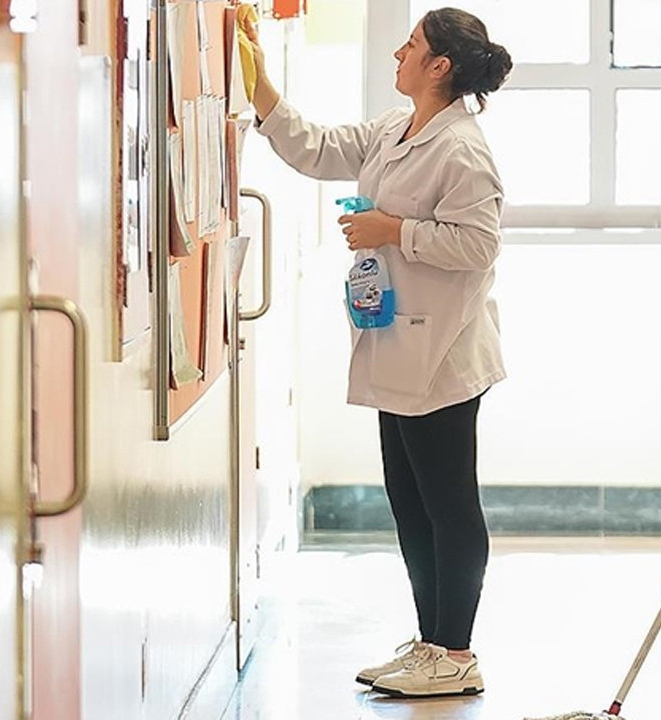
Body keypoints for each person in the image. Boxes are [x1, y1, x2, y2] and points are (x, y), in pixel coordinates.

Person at [244, 7, 512, 699]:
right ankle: (431, 644)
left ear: (439, 66)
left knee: (449, 505)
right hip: (398, 342)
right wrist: (261, 86)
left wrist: (394, 230)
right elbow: (320, 148)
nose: (399, 51)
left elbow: (477, 246)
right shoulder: (396, 129)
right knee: (410, 501)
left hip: (444, 352)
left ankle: (457, 652)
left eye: (412, 45)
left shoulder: (463, 150)